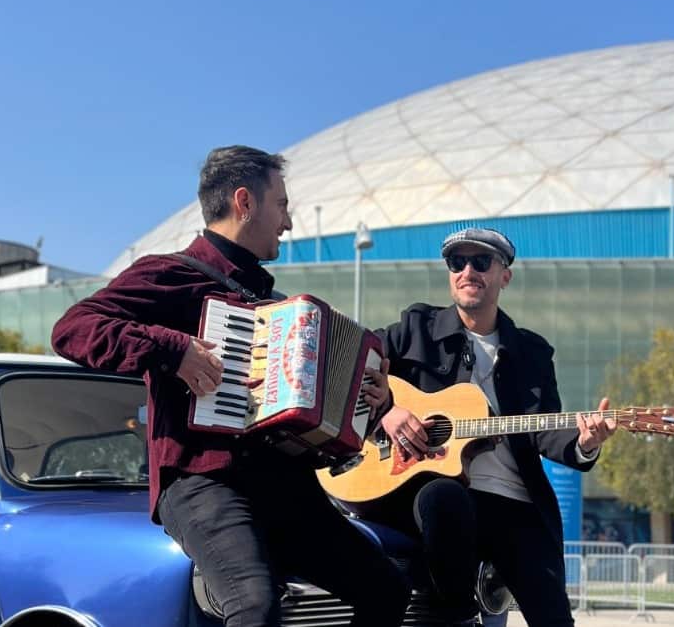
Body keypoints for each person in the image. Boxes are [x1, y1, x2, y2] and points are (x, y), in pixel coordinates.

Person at [51, 145, 410, 627]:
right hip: (203, 481)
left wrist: (372, 402)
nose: (288, 222)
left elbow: (317, 415)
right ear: (245, 202)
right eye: (281, 205)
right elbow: (73, 328)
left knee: (387, 589)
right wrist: (173, 350)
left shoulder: (275, 304)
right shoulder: (172, 274)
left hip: (282, 484)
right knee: (254, 605)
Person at [373, 227, 618, 627]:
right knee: (441, 497)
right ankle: (460, 617)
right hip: (444, 493)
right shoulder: (416, 328)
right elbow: (356, 363)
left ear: (505, 275)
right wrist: (388, 409)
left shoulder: (532, 353)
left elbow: (545, 429)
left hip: (514, 502)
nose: (468, 272)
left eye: (481, 262)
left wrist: (585, 441)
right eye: (457, 262)